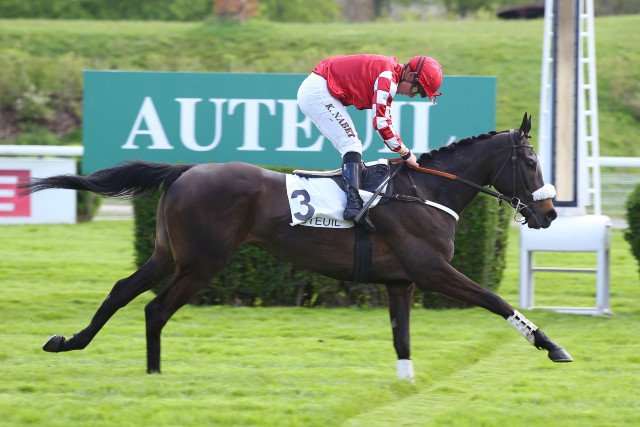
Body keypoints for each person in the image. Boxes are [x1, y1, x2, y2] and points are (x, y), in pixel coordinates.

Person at [297, 54, 443, 232]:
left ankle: (354, 203)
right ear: (410, 75)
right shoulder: (388, 78)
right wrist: (405, 153)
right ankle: (354, 207)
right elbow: (381, 123)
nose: (411, 95)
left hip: (320, 88)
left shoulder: (390, 73)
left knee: (352, 145)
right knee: (351, 145)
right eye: (416, 90)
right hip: (318, 92)